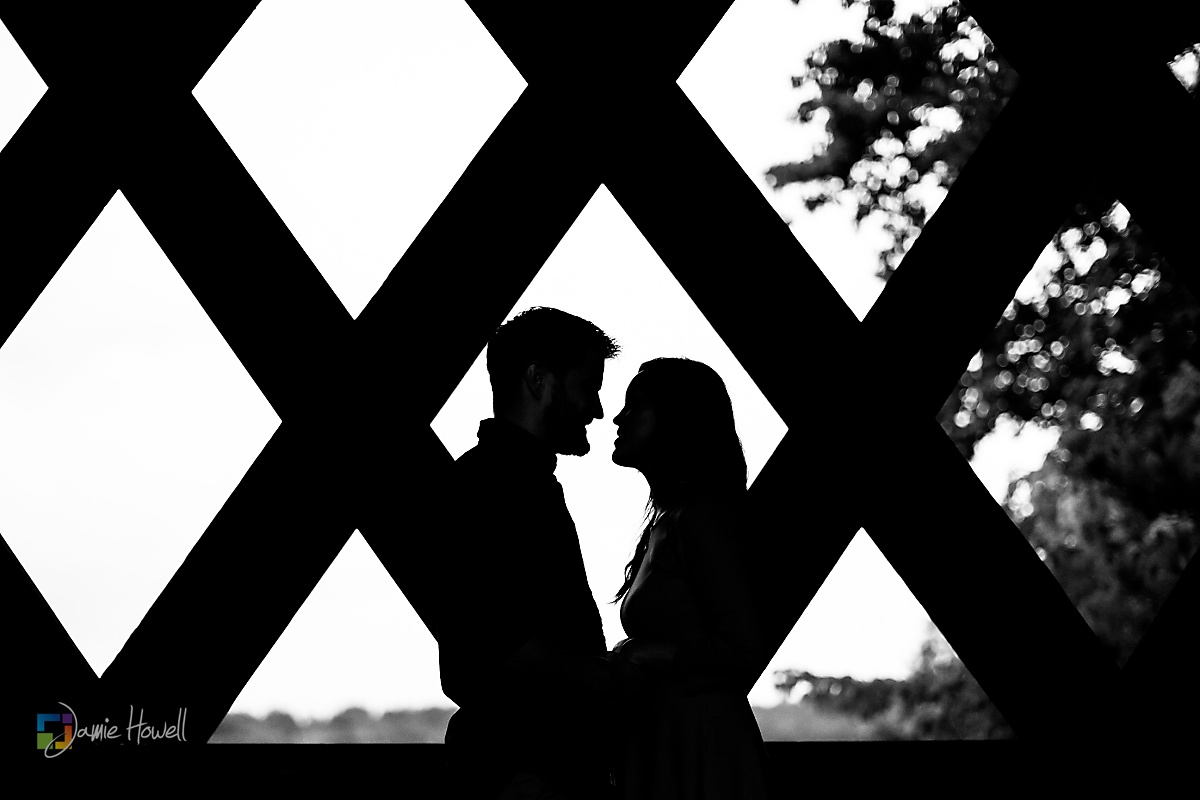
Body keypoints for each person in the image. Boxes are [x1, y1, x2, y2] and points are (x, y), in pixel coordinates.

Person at [434, 306, 639, 800]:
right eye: (589, 386)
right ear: (538, 379)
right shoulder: (501, 487)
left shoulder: (495, 482)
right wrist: (614, 677)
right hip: (527, 771)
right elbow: (499, 643)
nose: (597, 409)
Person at [609, 357, 772, 800]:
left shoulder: (700, 521)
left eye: (635, 405)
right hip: (675, 743)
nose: (617, 417)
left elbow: (741, 650)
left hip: (700, 752)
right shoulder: (671, 519)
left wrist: (644, 653)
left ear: (676, 421)